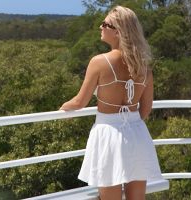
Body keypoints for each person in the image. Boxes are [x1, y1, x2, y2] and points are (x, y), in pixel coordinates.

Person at [58, 5, 163, 200]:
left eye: (105, 24)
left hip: (108, 133)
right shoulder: (144, 65)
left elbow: (80, 102)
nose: (100, 27)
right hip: (137, 133)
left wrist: (63, 108)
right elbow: (146, 109)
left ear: (118, 31)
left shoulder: (99, 62)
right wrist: (130, 121)